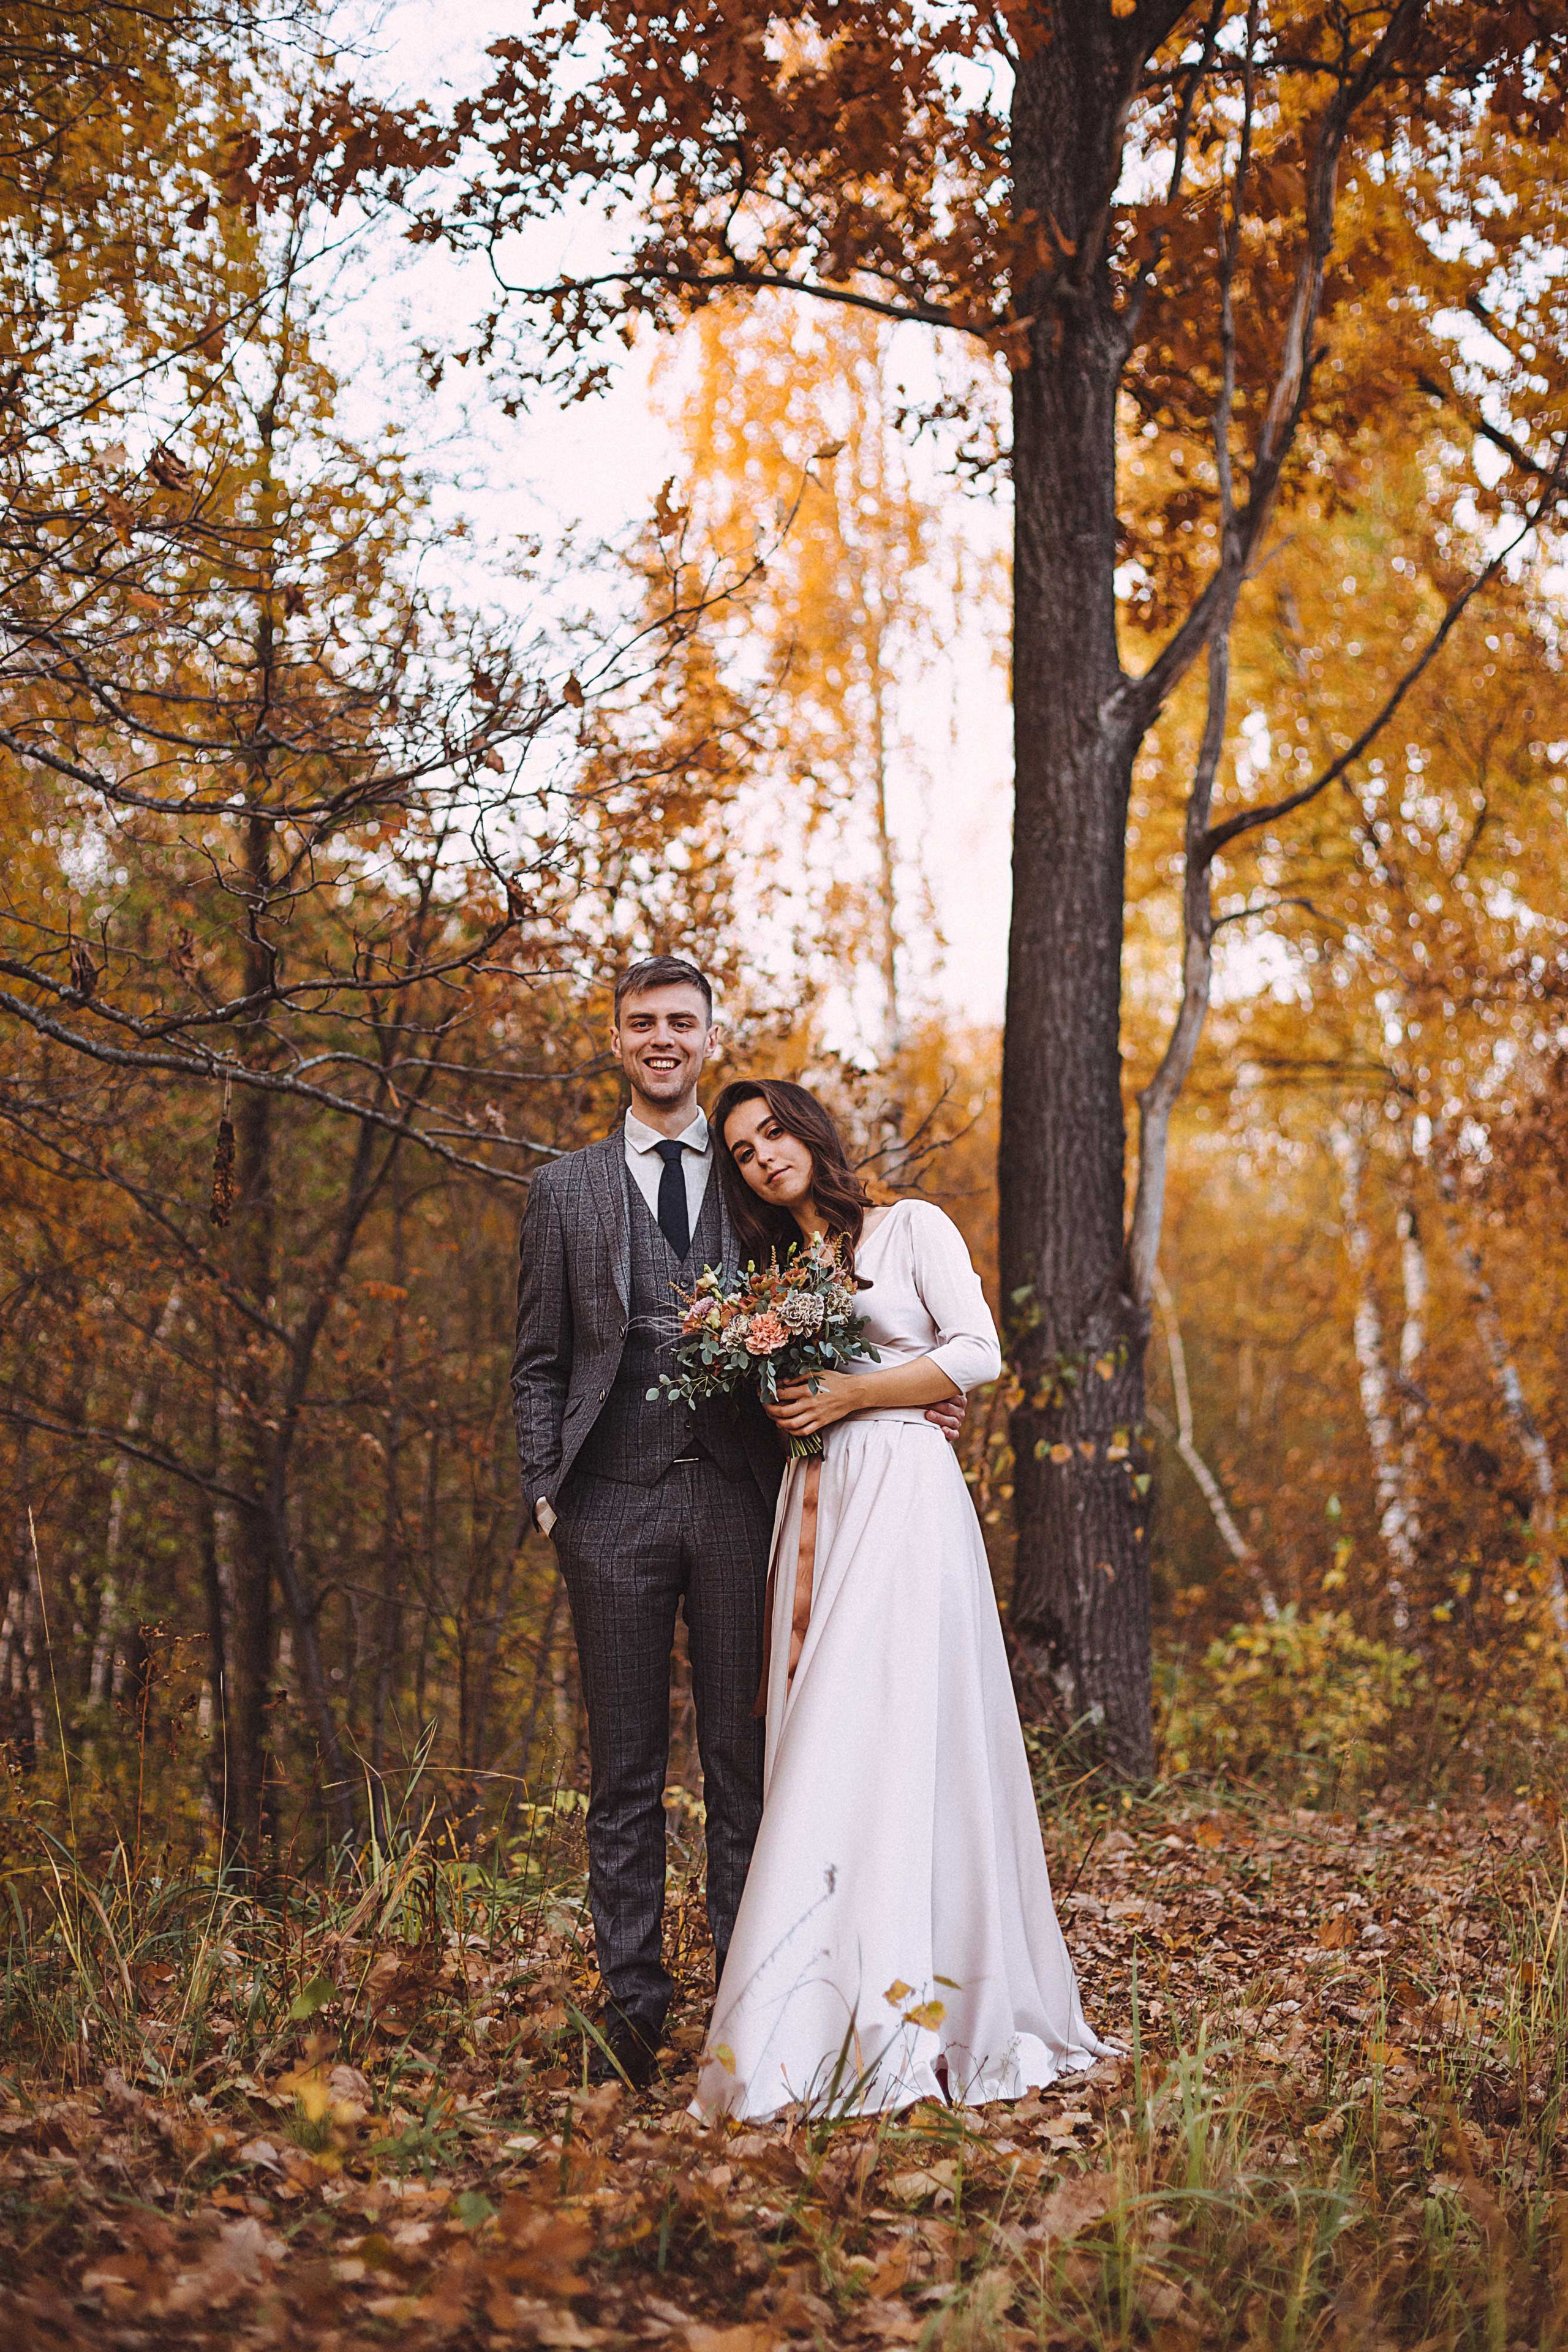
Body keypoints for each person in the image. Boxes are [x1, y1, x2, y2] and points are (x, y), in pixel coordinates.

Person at [510, 961, 962, 2088]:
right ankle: (629, 2010)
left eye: (683, 1024)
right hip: (606, 1511)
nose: (663, 1040)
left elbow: (845, 1302)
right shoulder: (562, 1190)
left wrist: (913, 1385)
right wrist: (546, 1489)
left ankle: (753, 2010)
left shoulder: (763, 1186)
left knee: (744, 1762)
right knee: (621, 1771)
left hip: (747, 1505)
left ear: (709, 1039)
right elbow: (537, 1361)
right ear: (616, 1039)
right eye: (643, 1024)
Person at [692, 1079, 1109, 2119]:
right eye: (742, 1151)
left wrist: (864, 1390)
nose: (763, 1156)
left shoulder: (910, 1225)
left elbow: (976, 1351)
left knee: (901, 1723)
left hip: (905, 1500)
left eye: (774, 1132)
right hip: (817, 1504)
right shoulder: (774, 1278)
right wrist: (800, 1398)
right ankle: (814, 2011)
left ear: (811, 1132)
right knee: (824, 1730)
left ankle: (936, 2008)